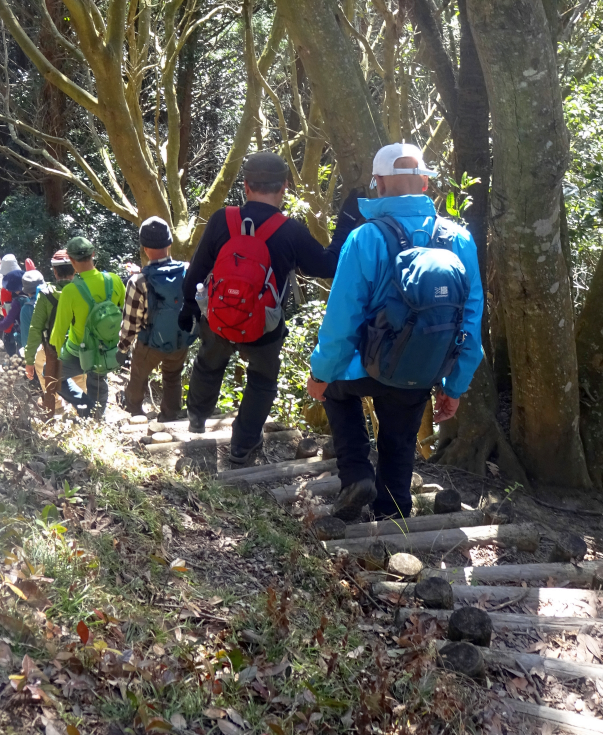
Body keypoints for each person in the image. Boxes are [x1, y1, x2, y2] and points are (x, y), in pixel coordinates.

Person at [306, 143, 484, 523]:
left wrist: (321, 373)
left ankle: (356, 476)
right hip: (420, 368)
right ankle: (393, 515)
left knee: (337, 391)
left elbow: (342, 317)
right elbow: (470, 318)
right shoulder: (459, 239)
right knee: (400, 439)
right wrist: (454, 385)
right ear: (424, 183)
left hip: (362, 368)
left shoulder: (365, 237)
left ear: (380, 185)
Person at [178, 151, 360, 463]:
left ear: (246, 185)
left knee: (209, 364)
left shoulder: (224, 219)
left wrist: (189, 306)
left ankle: (196, 420)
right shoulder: (291, 230)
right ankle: (242, 445)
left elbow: (196, 270)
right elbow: (328, 264)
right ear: (284, 187)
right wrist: (348, 218)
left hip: (219, 318)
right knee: (262, 380)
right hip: (264, 324)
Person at [117, 216, 196, 420]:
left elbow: (131, 322)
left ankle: (134, 413)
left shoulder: (138, 281)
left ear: (144, 248)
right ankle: (170, 416)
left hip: (148, 344)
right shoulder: (187, 270)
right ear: (169, 243)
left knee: (138, 378)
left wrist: (123, 347)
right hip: (180, 339)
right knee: (172, 378)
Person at [49, 236, 125, 418]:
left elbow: (59, 331)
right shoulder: (114, 280)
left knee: (51, 376)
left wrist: (55, 356)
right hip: (108, 349)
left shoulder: (70, 291)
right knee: (99, 380)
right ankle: (96, 417)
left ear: (71, 260)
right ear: (93, 254)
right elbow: (123, 313)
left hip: (78, 352)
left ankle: (86, 406)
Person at [24, 250, 76, 415]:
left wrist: (29, 360)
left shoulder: (46, 294)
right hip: (79, 347)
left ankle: (55, 405)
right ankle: (81, 417)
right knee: (81, 379)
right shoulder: (82, 291)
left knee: (44, 367)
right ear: (75, 269)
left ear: (54, 271)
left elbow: (35, 329)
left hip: (52, 349)